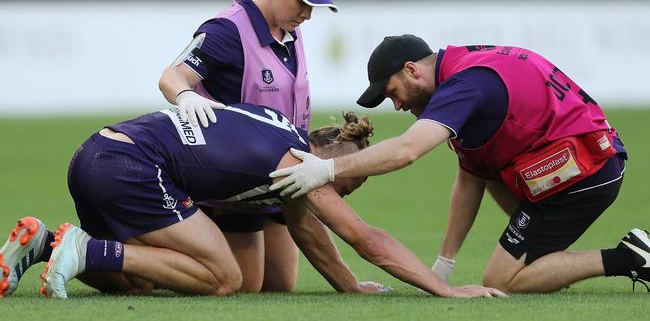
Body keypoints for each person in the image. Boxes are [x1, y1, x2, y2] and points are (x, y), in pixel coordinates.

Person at [0, 103, 505, 299]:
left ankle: (45, 244)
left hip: (93, 154)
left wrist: (351, 288)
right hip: (130, 168)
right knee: (225, 279)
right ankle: (82, 250)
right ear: (329, 155)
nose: (349, 183)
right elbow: (365, 238)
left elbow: (309, 232)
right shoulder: (299, 165)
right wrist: (448, 292)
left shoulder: (281, 128)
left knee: (139, 280)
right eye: (353, 174)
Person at [269, 35, 650, 293]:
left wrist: (327, 170)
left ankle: (630, 257)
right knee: (496, 188)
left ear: (412, 70)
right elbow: (470, 178)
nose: (398, 106)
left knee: (504, 279)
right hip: (574, 163)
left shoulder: (466, 84)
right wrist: (444, 266)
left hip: (586, 170)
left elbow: (407, 150)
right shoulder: (463, 72)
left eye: (393, 93)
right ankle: (545, 268)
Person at [157, 0, 337, 292]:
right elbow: (172, 75)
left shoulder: (291, 30)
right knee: (245, 285)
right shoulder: (227, 29)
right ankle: (127, 252)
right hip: (236, 180)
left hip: (280, 177)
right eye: (303, 2)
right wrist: (186, 95)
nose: (309, 14)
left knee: (281, 284)